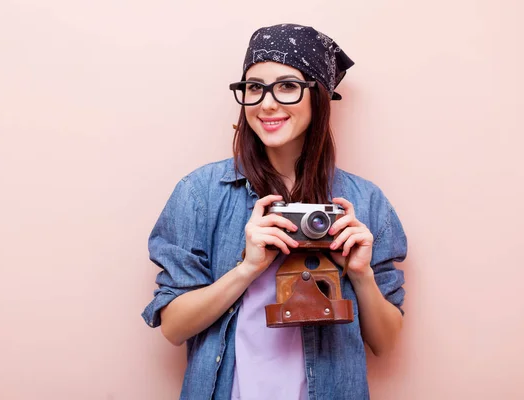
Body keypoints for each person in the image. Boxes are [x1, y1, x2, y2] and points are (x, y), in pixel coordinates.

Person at [142, 23, 407, 400]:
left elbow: (386, 342)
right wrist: (247, 268)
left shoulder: (364, 202)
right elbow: (173, 327)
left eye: (286, 85)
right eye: (254, 87)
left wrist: (362, 275)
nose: (266, 103)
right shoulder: (200, 194)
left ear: (319, 95)